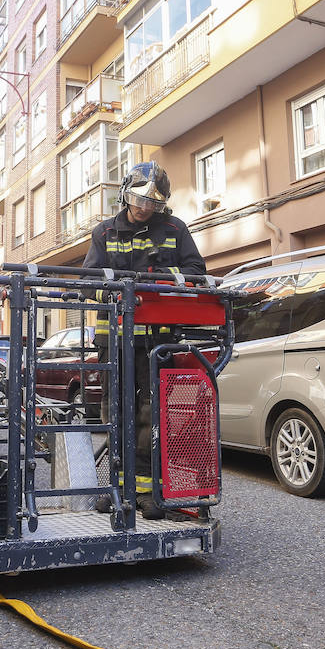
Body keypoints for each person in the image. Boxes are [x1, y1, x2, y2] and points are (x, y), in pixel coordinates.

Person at [84, 161, 205, 520]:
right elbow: (89, 280)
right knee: (115, 413)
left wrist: (156, 277)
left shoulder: (174, 229)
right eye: (139, 200)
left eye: (152, 203)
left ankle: (148, 490)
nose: (144, 207)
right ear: (125, 194)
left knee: (153, 415)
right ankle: (117, 488)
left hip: (156, 341)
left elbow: (196, 273)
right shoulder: (104, 233)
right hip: (115, 341)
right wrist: (120, 285)